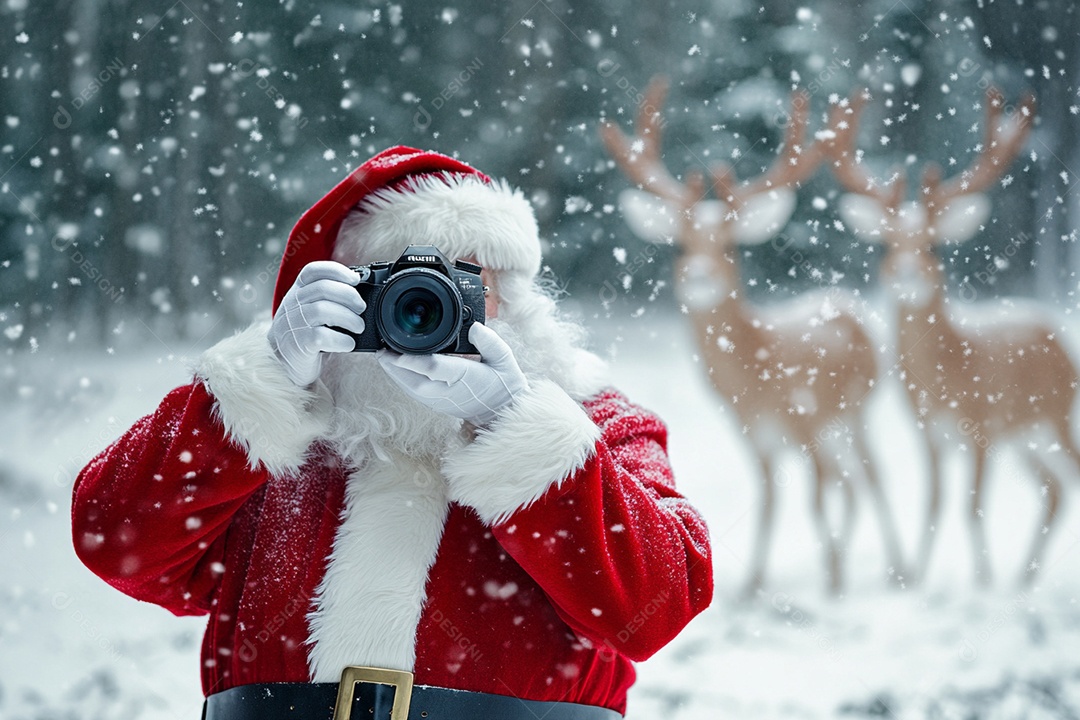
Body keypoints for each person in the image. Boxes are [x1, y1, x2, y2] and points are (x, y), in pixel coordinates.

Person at [72, 146, 713, 720]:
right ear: (350, 296)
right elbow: (113, 538)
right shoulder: (282, 438)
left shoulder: (595, 423)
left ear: (513, 296)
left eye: (464, 283)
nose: (429, 309)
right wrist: (255, 391)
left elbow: (656, 607)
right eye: (401, 283)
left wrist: (517, 431)